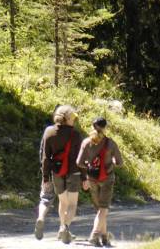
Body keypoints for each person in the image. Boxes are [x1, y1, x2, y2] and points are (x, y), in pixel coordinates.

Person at [35, 105, 83, 244]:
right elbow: (80, 159)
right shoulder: (75, 134)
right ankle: (64, 227)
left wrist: (45, 177)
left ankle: (50, 223)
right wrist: (85, 177)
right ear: (68, 118)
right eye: (73, 118)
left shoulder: (49, 132)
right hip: (73, 172)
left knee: (63, 202)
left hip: (56, 172)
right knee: (72, 204)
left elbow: (45, 157)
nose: (74, 120)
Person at [77, 117, 123, 247]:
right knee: (103, 209)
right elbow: (120, 163)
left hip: (92, 179)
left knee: (99, 210)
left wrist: (89, 165)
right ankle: (94, 235)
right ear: (105, 127)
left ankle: (104, 238)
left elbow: (79, 162)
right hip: (107, 179)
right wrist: (113, 161)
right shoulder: (110, 143)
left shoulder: (86, 142)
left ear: (92, 126)